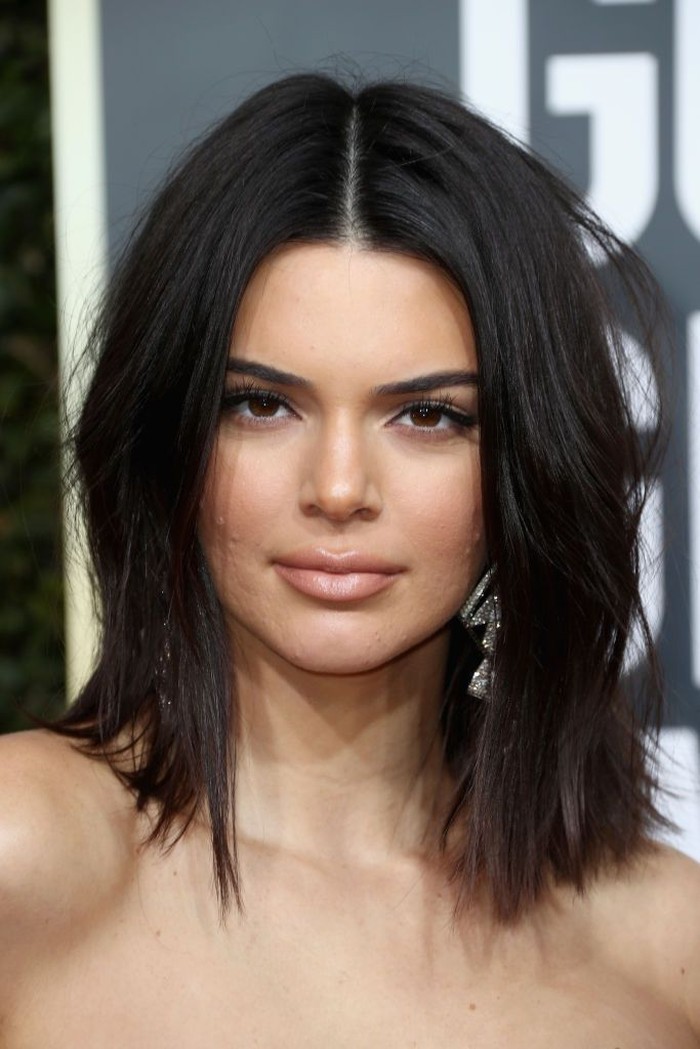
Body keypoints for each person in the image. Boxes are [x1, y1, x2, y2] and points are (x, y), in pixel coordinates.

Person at [1, 71, 699, 1047]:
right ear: (170, 443)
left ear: (524, 472)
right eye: (261, 404)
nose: (337, 487)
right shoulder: (23, 853)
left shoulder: (663, 943)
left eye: (428, 415)